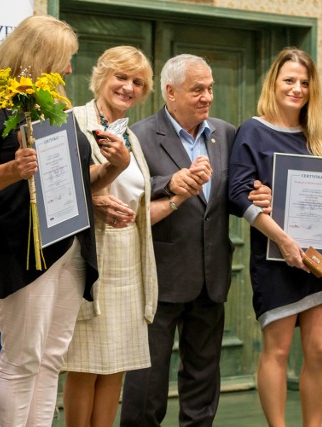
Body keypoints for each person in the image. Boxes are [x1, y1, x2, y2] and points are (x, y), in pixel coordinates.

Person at [0, 15, 129, 426]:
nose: (71, 69)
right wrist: (13, 170)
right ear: (42, 56)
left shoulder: (59, 108)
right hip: (22, 245)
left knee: (52, 357)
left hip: (70, 243)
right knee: (22, 359)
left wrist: (115, 167)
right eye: (66, 58)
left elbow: (78, 184)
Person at [119, 53, 271, 427]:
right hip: (159, 277)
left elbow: (234, 193)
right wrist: (169, 184)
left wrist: (259, 195)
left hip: (211, 275)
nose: (207, 97)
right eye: (197, 89)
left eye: (210, 89)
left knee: (203, 381)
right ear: (170, 92)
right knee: (147, 383)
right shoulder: (139, 135)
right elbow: (127, 194)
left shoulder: (225, 132)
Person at [228, 47, 322, 427]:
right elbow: (237, 194)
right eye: (289, 80)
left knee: (319, 350)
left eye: (304, 82)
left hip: (320, 258)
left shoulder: (321, 135)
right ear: (274, 82)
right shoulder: (252, 130)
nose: (297, 88)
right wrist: (283, 240)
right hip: (275, 257)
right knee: (279, 350)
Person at [62, 46, 158, 427]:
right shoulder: (73, 120)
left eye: (137, 82)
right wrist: (95, 200)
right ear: (101, 76)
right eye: (121, 77)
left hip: (128, 258)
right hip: (88, 254)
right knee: (85, 363)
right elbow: (58, 186)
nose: (128, 87)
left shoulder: (129, 135)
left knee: (116, 362)